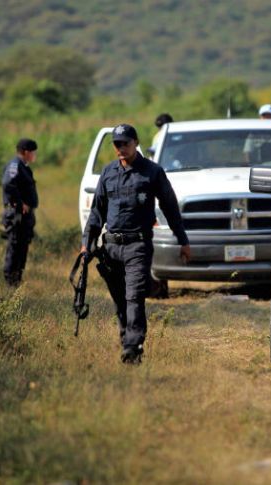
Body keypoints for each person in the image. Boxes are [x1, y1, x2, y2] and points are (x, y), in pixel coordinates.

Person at [81, 124, 191, 364]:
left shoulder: (152, 172)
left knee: (134, 296)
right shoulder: (108, 172)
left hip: (138, 246)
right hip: (111, 247)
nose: (121, 148)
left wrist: (182, 240)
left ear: (136, 143)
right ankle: (126, 341)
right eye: (117, 144)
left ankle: (133, 348)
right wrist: (86, 244)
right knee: (120, 299)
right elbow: (97, 212)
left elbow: (170, 207)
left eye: (125, 143)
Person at [1, 138, 39, 287]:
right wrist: (19, 203)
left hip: (24, 216)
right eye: (33, 152)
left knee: (22, 247)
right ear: (26, 152)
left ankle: (17, 280)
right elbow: (8, 184)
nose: (35, 155)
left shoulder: (23, 166)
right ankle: (10, 281)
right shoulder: (15, 165)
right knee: (15, 247)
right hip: (16, 215)